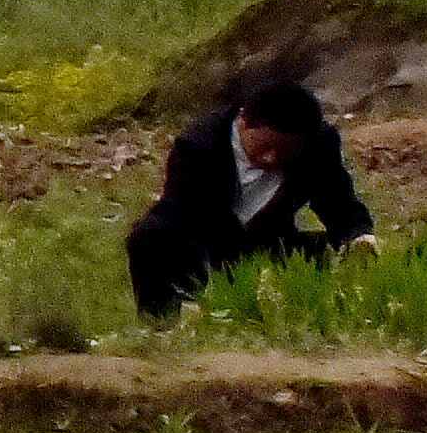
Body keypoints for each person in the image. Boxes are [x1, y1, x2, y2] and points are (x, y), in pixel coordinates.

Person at [126, 73, 376, 319]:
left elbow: (337, 199)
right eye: (265, 147)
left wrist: (357, 235)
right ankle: (165, 320)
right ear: (243, 122)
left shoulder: (318, 145)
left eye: (285, 151)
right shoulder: (198, 147)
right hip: (203, 240)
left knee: (335, 253)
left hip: (268, 242)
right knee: (150, 237)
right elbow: (184, 215)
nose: (272, 158)